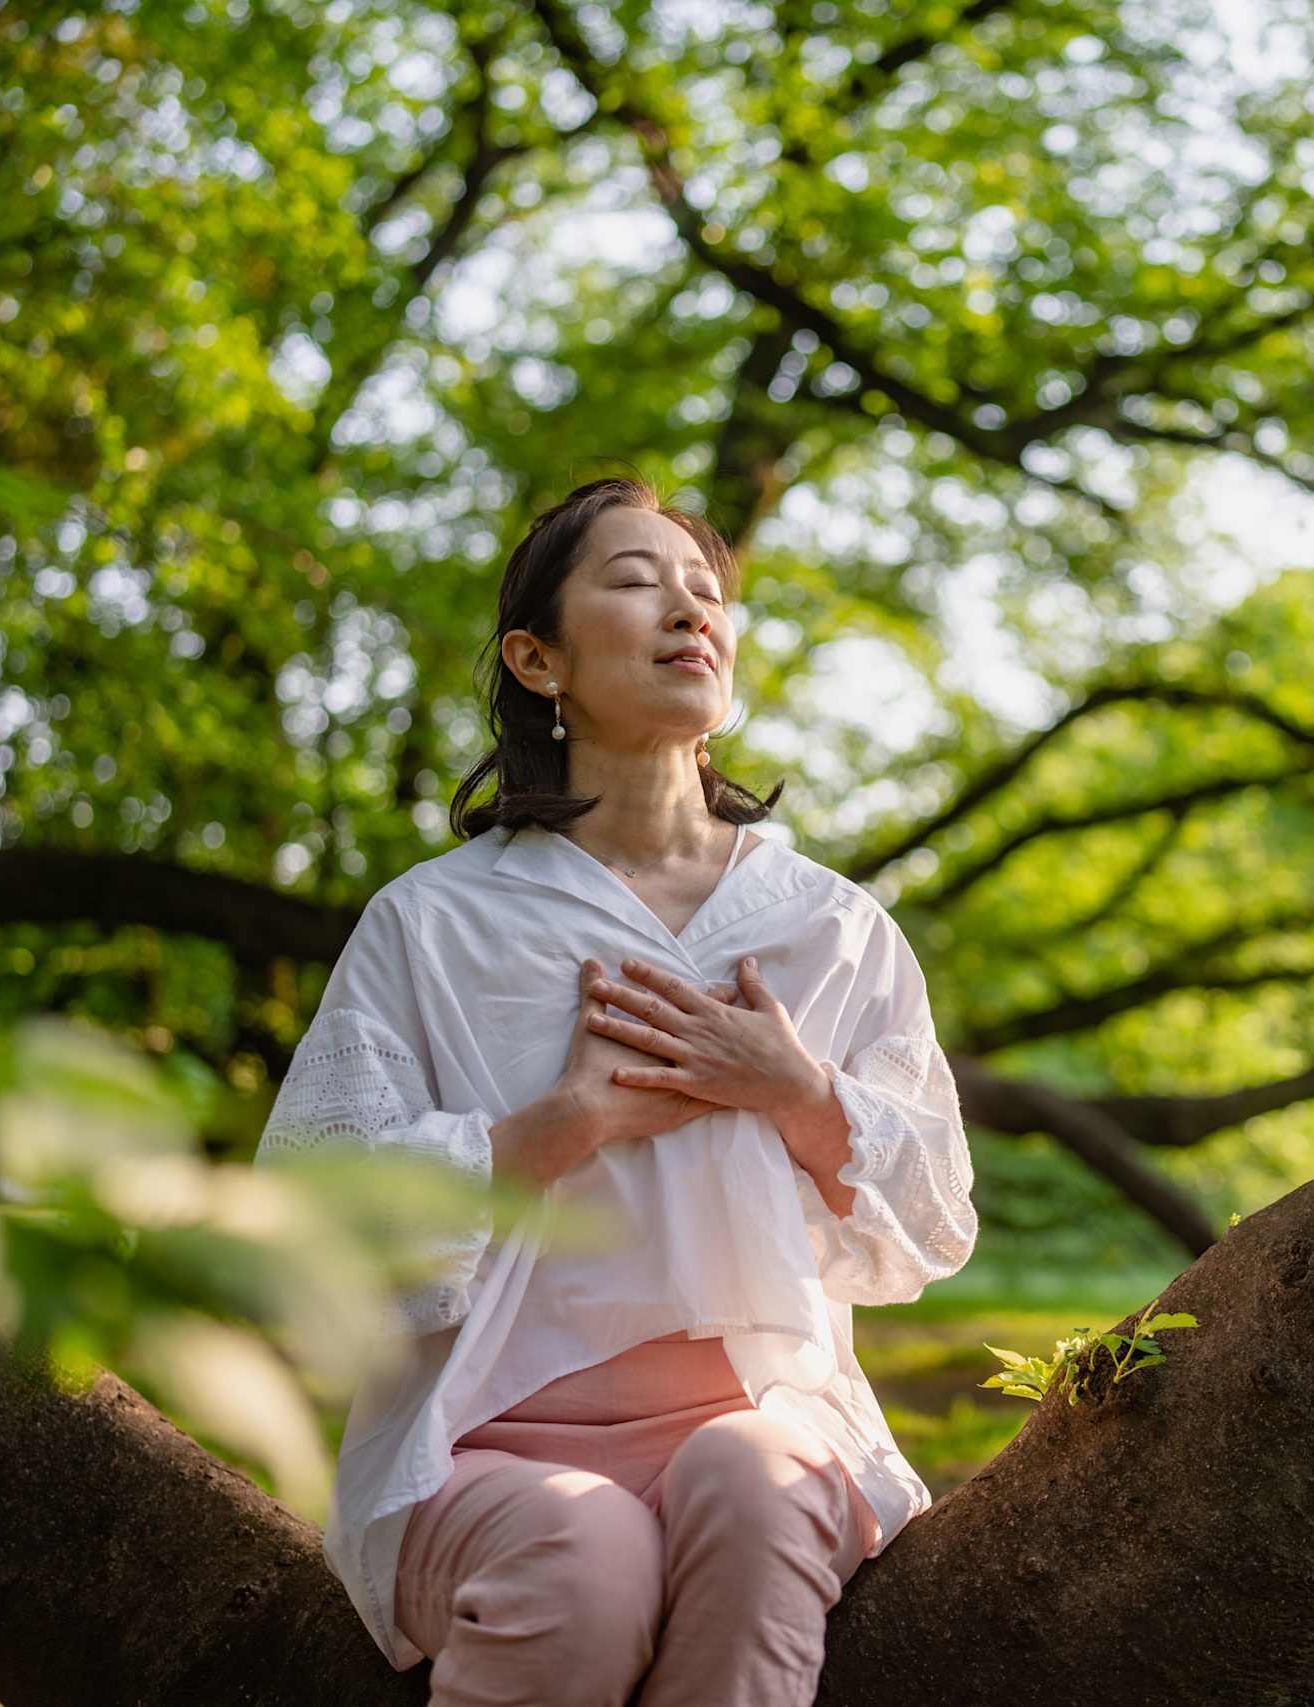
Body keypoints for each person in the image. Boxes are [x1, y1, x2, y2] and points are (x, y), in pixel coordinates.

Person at [254, 475, 979, 1706]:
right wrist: (560, 1125)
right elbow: (308, 1218)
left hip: (765, 1416)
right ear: (538, 661)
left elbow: (933, 1220)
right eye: (638, 581)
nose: (691, 610)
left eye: (707, 590)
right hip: (482, 1449)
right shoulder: (433, 921)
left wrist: (797, 1089)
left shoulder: (829, 927)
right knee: (577, 1557)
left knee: (756, 1492)